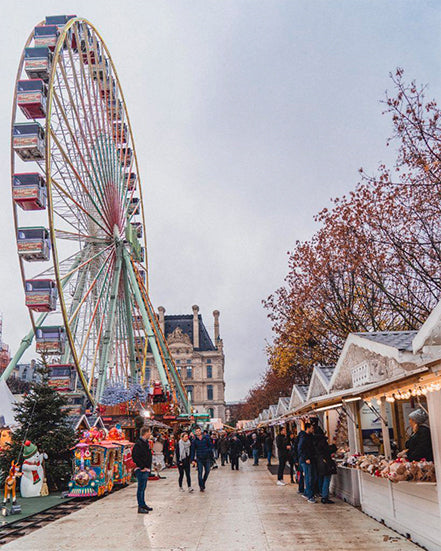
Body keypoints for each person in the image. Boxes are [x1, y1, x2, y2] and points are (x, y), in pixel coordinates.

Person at [132, 426, 153, 514]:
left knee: (143, 488)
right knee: (140, 488)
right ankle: (140, 506)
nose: (150, 434)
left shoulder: (146, 443)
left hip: (146, 468)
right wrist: (142, 467)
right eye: (149, 432)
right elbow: (135, 457)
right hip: (141, 470)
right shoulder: (138, 444)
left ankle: (143, 504)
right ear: (145, 433)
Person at [314, 431, 337, 504]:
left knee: (321, 479)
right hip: (325, 463)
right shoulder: (322, 442)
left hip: (319, 463)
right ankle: (325, 497)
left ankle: (322, 493)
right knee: (326, 480)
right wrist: (333, 446)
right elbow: (328, 450)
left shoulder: (315, 443)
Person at [297, 422, 316, 503]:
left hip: (308, 459)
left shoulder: (308, 436)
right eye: (311, 428)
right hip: (305, 461)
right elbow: (300, 449)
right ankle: (310, 496)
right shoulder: (304, 437)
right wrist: (306, 458)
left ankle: (306, 493)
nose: (313, 429)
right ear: (308, 428)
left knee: (310, 477)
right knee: (308, 478)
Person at [190, 427, 213, 492]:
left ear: (201, 431)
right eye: (196, 431)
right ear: (195, 433)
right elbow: (193, 450)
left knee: (207, 471)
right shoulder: (194, 441)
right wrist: (192, 460)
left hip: (207, 457)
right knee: (200, 472)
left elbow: (211, 446)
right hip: (199, 458)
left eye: (199, 431)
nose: (198, 432)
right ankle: (201, 486)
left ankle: (203, 482)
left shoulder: (206, 438)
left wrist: (208, 451)